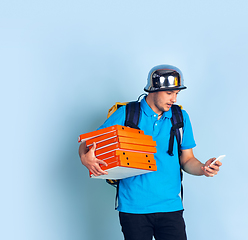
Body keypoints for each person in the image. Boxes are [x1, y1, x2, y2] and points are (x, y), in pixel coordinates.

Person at [79, 64, 222, 240]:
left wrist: (203, 168)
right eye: (170, 93)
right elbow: (88, 143)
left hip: (170, 207)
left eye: (177, 94)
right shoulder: (127, 114)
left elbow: (187, 160)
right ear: (153, 89)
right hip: (133, 208)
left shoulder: (180, 117)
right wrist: (85, 157)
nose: (174, 99)